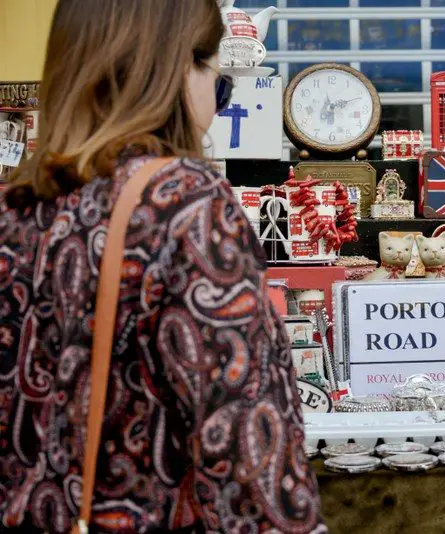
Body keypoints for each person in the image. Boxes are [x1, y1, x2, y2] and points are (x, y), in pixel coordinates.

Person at [0, 1, 326, 532]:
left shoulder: (16, 211)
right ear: (178, 70)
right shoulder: (187, 210)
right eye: (216, 77)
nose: (218, 105)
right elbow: (248, 457)